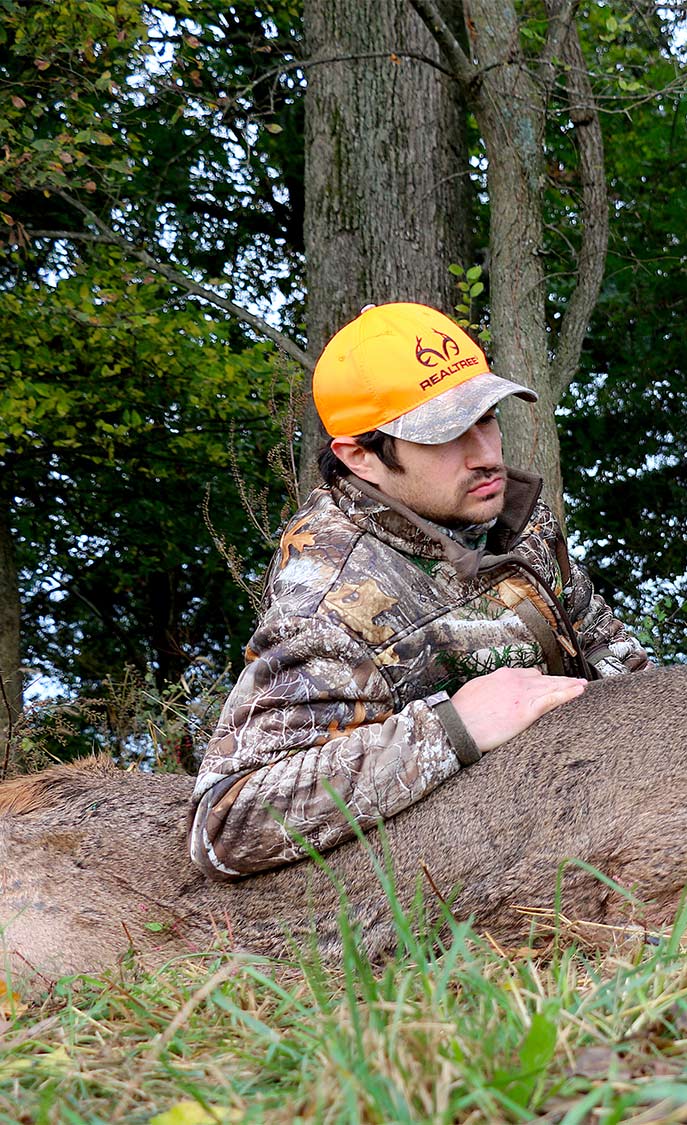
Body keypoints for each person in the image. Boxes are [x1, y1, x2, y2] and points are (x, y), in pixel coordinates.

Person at [188, 302, 649, 880]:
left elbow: (615, 657)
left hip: (591, 812)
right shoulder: (331, 605)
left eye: (486, 417)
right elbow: (225, 827)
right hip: (469, 883)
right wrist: (453, 727)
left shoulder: (512, 519)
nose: (486, 455)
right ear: (360, 457)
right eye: (447, 433)